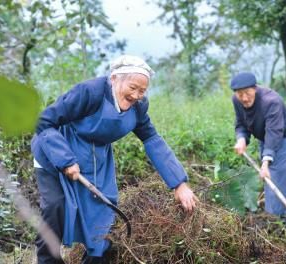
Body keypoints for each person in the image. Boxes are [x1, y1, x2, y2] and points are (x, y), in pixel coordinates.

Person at [31, 55, 198, 263]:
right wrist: (64, 159)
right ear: (114, 79)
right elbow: (44, 122)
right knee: (57, 207)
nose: (137, 95)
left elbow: (152, 139)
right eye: (133, 87)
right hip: (54, 152)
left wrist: (179, 184)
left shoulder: (138, 107)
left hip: (96, 162)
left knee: (104, 215)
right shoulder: (89, 93)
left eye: (142, 91)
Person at [230, 72, 286, 221]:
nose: (244, 98)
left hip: (282, 139)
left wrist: (265, 162)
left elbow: (274, 133)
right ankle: (274, 217)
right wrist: (241, 139)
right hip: (264, 139)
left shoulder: (271, 101)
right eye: (240, 94)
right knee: (269, 179)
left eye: (247, 93)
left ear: (255, 88)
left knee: (282, 179)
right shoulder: (237, 100)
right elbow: (241, 124)